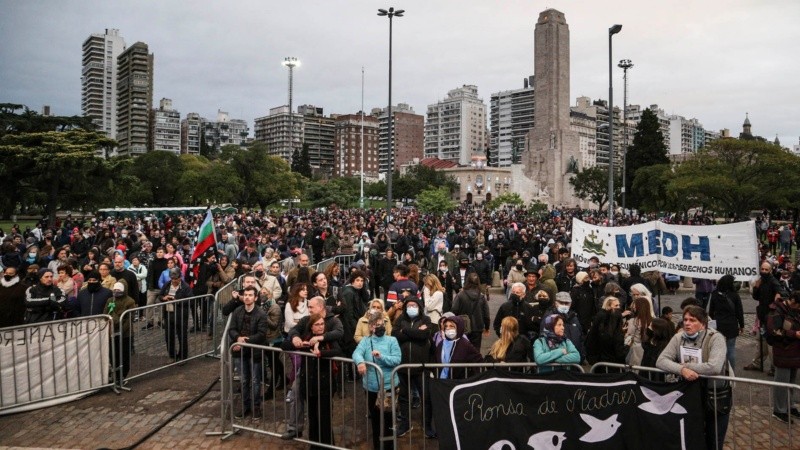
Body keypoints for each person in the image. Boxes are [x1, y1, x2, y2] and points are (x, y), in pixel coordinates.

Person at [657, 305, 729, 450]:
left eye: (692, 320)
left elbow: (714, 367)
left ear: (702, 324)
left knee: (714, 439)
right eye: (685, 320)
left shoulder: (716, 338)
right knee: (692, 436)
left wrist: (685, 366)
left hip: (715, 395)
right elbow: (661, 360)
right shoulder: (678, 337)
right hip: (690, 394)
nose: (687, 323)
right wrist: (681, 369)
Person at [282, 296, 344, 441]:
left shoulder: (333, 321)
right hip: (308, 377)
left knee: (324, 415)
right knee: (307, 407)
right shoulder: (306, 322)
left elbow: (339, 336)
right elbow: (293, 331)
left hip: (325, 379)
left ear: (321, 307)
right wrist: (295, 338)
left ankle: (327, 443)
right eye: (308, 307)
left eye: (311, 307)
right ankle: (298, 430)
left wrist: (321, 339)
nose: (308, 310)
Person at [352, 311, 402, 449]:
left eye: (381, 324)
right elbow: (356, 352)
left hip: (388, 387)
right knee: (375, 420)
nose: (378, 327)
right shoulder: (366, 341)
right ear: (370, 327)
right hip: (371, 388)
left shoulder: (392, 341)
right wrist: (360, 362)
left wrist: (381, 357)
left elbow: (397, 359)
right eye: (375, 324)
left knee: (388, 421)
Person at [391, 296, 432, 438]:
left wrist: (405, 331)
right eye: (409, 305)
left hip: (421, 367)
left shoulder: (425, 320)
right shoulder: (400, 319)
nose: (411, 307)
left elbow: (424, 335)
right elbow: (394, 334)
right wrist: (414, 332)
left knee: (425, 397)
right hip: (403, 367)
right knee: (403, 397)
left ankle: (427, 425)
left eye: (414, 305)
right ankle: (405, 424)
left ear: (419, 307)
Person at [229, 285, 268, 420]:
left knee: (256, 380)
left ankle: (256, 407)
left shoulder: (261, 314)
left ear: (255, 297)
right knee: (244, 380)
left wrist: (244, 341)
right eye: (245, 295)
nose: (247, 297)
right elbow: (232, 329)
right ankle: (245, 406)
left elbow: (262, 334)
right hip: (240, 352)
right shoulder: (238, 311)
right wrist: (237, 338)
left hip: (255, 351)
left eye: (250, 295)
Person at [764, 290, 800, 424]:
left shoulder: (793, 310)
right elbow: (774, 331)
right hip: (783, 350)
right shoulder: (777, 310)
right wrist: (794, 334)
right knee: (782, 381)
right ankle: (779, 410)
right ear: (792, 301)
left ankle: (790, 405)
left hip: (795, 351)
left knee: (791, 381)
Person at [746, 261, 782, 374]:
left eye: (766, 270)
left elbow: (782, 292)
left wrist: (778, 297)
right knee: (760, 341)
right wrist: (756, 288)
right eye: (763, 269)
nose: (764, 271)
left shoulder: (773, 281)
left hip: (771, 317)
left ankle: (775, 368)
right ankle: (757, 363)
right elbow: (757, 297)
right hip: (762, 316)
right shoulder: (760, 281)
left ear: (770, 270)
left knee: (771, 343)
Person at [708, 274, 744, 369]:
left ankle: (719, 368)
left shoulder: (715, 294)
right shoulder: (735, 295)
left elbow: (711, 311)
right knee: (731, 349)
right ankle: (731, 371)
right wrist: (742, 325)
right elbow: (739, 312)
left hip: (719, 324)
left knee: (718, 349)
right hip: (731, 324)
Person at [106, 281, 137, 381]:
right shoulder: (110, 300)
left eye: (119, 290)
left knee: (124, 356)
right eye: (115, 289)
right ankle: (114, 375)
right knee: (113, 355)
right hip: (112, 333)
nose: (116, 291)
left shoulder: (130, 301)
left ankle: (122, 376)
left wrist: (120, 331)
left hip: (125, 334)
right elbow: (105, 313)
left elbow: (129, 319)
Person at [159, 268, 192, 361]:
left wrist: (177, 301)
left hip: (181, 315)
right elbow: (160, 295)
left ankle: (182, 357)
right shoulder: (167, 285)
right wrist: (164, 298)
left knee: (182, 336)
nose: (174, 281)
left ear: (180, 277)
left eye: (176, 279)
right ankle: (172, 355)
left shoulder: (185, 287)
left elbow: (191, 300)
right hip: (169, 314)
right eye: (172, 279)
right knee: (169, 336)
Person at [451, 272, 490, 350]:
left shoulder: (460, 295)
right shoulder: (481, 296)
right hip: (477, 327)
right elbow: (486, 314)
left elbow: (454, 310)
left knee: (462, 349)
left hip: (462, 326)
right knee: (475, 350)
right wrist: (487, 327)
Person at [585, 297, 627, 365]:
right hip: (605, 357)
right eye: (616, 305)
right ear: (608, 305)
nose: (618, 307)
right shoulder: (605, 317)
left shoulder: (602, 316)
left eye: (619, 305)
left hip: (600, 358)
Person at [639, 317, 674, 381]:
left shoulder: (666, 347)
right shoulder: (650, 342)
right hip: (646, 376)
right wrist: (648, 333)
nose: (648, 328)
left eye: (651, 326)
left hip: (657, 378)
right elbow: (644, 344)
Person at [624, 296, 653, 366]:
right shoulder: (651, 320)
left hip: (635, 350)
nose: (633, 308)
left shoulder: (633, 321)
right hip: (647, 350)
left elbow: (628, 336)